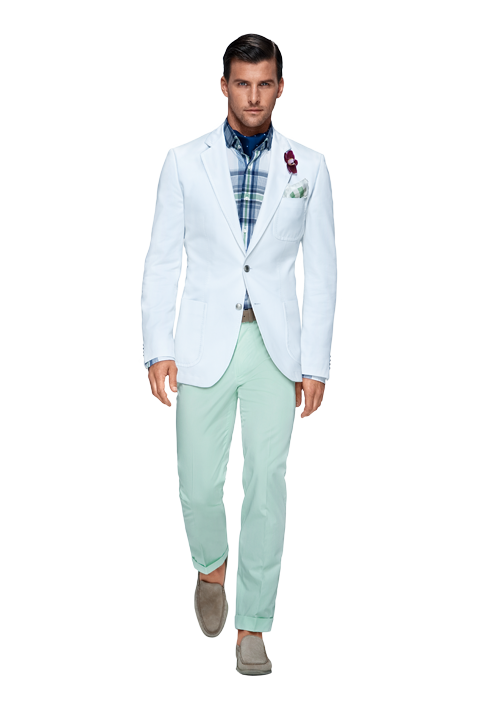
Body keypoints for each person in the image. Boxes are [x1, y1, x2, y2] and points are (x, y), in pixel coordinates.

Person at [141, 33, 337, 684]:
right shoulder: (183, 162)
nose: (254, 96)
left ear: (280, 87)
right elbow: (163, 260)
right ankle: (211, 566)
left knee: (265, 486)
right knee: (198, 483)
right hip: (202, 341)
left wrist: (316, 362)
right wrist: (157, 346)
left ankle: (252, 625)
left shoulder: (308, 167)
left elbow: (322, 271)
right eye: (242, 83)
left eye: (265, 83)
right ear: (224, 85)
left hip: (275, 348)